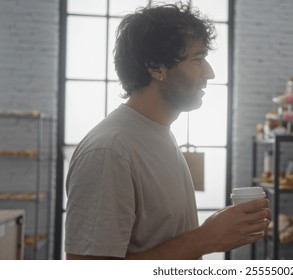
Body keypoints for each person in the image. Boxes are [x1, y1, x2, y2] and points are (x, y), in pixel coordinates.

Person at [65, 2, 270, 260]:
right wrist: (205, 239)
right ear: (156, 68)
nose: (210, 73)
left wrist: (213, 229)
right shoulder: (109, 150)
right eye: (197, 59)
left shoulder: (158, 132)